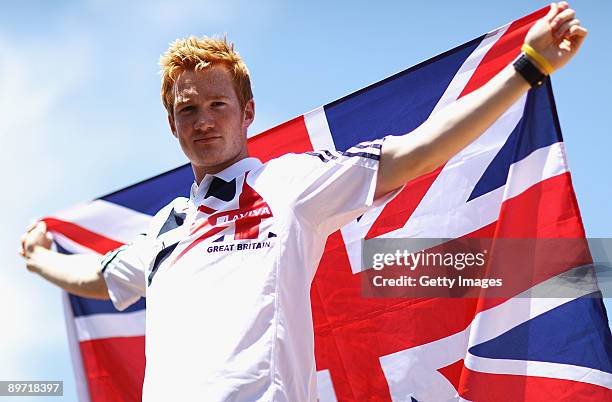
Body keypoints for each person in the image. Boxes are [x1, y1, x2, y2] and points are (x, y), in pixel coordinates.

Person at [19, 3, 587, 401]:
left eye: (218, 105)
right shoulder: (168, 225)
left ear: (248, 114)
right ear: (173, 125)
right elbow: (98, 275)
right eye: (189, 111)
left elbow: (419, 151)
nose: (204, 121)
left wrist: (526, 70)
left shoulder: (292, 183)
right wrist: (38, 258)